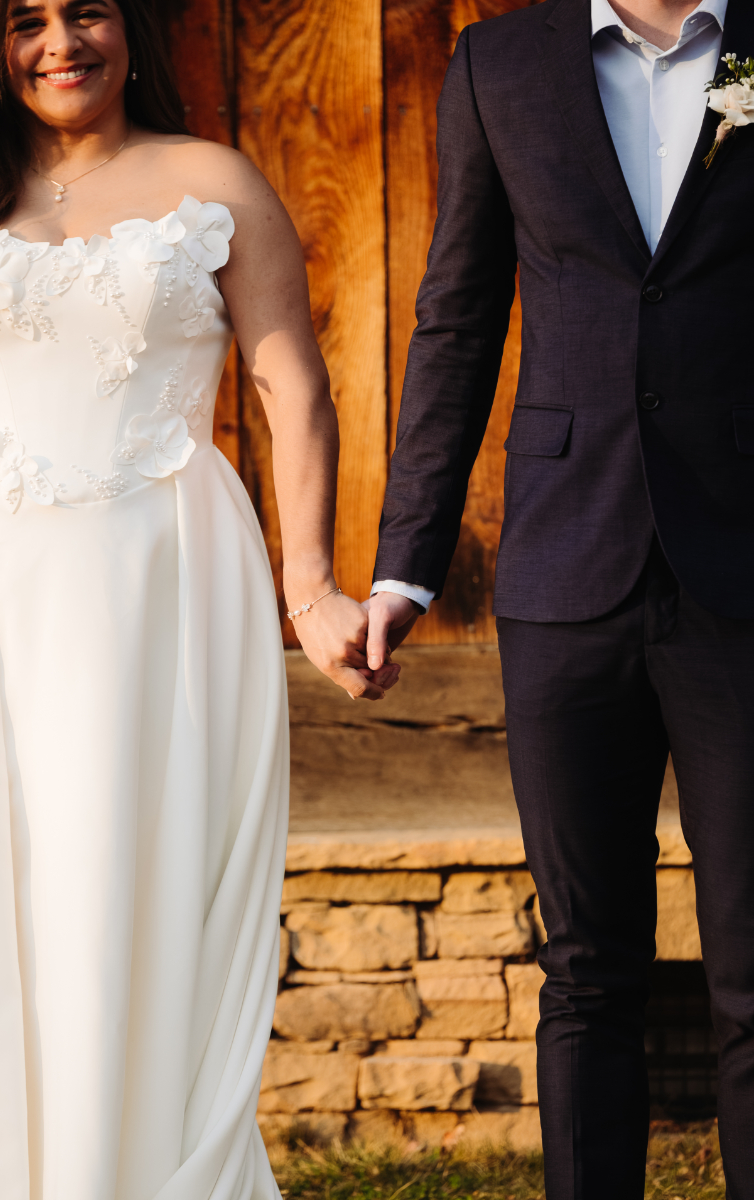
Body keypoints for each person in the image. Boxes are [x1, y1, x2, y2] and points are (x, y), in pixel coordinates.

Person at [0, 1, 397, 1197]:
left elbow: (290, 385)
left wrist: (306, 584)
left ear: (129, 29)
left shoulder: (211, 181)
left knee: (115, 875)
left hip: (152, 581)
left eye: (84, 10)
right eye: (27, 20)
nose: (60, 42)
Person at [364, 0, 754, 1196]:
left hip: (742, 572)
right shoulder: (497, 62)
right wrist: (403, 561)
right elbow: (456, 314)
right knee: (586, 971)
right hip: (561, 568)